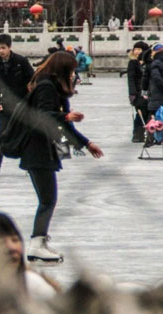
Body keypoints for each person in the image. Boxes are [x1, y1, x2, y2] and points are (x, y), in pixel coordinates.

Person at [21, 51, 103, 262]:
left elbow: (65, 126)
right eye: (72, 70)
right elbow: (42, 116)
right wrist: (66, 115)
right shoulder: (46, 86)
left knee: (47, 199)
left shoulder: (52, 87)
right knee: (48, 200)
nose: (73, 75)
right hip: (37, 149)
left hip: (43, 149)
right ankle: (36, 244)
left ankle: (39, 242)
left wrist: (86, 143)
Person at [0, 34, 35, 175]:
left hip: (22, 103)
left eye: (3, 48)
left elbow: (32, 80)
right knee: (1, 133)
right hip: (5, 104)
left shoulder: (21, 61)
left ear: (9, 47)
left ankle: (29, 163)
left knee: (26, 133)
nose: (1, 51)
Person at [127, 41, 150, 143]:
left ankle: (149, 134)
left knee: (149, 113)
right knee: (141, 113)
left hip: (149, 92)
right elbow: (131, 79)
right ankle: (137, 134)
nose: (136, 52)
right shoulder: (133, 62)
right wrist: (132, 93)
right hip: (138, 92)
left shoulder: (149, 62)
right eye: (135, 49)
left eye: (139, 49)